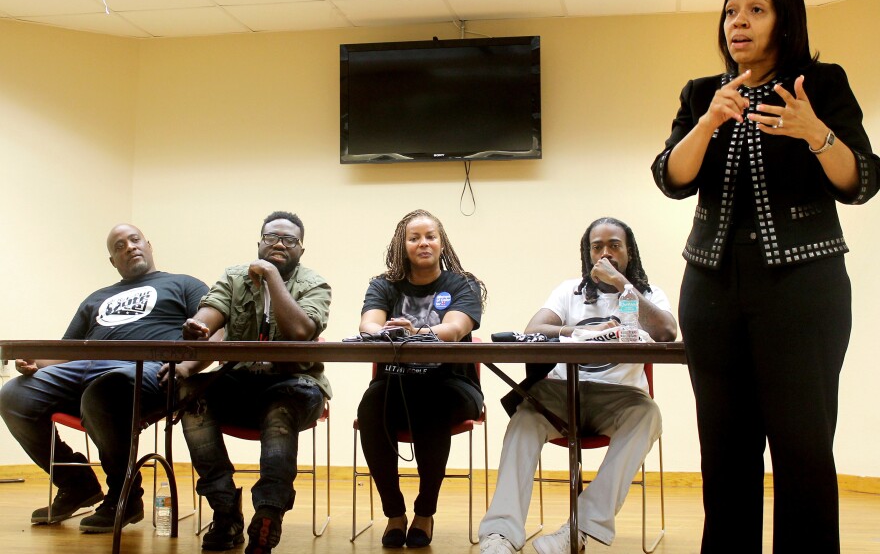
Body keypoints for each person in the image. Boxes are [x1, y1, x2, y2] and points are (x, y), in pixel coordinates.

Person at [651, 0, 880, 551]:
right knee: (723, 453)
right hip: (710, 289)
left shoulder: (821, 83)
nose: (739, 22)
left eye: (756, 9)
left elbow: (861, 182)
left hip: (803, 287)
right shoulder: (703, 92)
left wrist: (817, 134)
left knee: (803, 450)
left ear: (785, 20)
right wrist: (708, 121)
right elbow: (671, 178)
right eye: (731, 11)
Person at [479, 217, 677, 554]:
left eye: (614, 245)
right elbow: (535, 326)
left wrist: (621, 284)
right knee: (525, 417)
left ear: (629, 251)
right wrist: (574, 331)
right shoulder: (569, 290)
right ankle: (500, 534)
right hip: (562, 392)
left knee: (649, 415)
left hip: (620, 398)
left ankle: (577, 529)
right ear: (587, 254)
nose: (606, 252)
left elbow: (667, 333)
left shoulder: (645, 293)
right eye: (597, 246)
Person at [0, 223, 208, 532]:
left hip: (146, 371)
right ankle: (77, 484)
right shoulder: (97, 298)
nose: (129, 247)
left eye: (134, 240)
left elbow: (212, 330)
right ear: (113, 261)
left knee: (104, 391)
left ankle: (124, 495)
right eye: (119, 246)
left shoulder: (184, 284)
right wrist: (35, 361)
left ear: (149, 245)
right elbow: (66, 351)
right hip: (83, 369)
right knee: (13, 395)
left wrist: (190, 365)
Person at [170, 211, 331, 554]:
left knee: (279, 409)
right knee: (191, 395)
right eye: (271, 237)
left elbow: (301, 332)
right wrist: (198, 328)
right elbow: (210, 313)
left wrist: (272, 275)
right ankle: (225, 510)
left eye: (289, 240)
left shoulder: (315, 284)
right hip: (239, 381)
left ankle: (268, 514)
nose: (279, 244)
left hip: (295, 385)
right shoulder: (234, 277)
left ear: (302, 249)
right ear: (258, 242)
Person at [355, 209, 487, 549]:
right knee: (370, 406)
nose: (423, 243)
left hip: (453, 386)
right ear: (403, 246)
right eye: (414, 238)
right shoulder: (383, 285)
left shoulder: (463, 284)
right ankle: (394, 513)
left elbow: (456, 329)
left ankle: (425, 512)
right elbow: (368, 325)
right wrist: (382, 330)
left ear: (442, 243)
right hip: (396, 383)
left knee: (431, 403)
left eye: (430, 236)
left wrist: (418, 331)